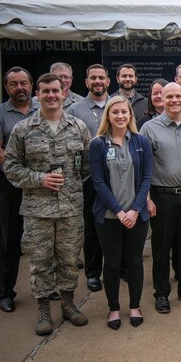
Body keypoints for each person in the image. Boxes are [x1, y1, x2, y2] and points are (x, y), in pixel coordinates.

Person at [4, 73, 91, 335]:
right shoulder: (24, 129)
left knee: (69, 258)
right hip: (37, 210)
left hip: (70, 208)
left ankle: (67, 303)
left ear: (64, 93)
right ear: (37, 95)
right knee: (40, 260)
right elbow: (10, 166)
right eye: (46, 92)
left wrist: (71, 186)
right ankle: (43, 309)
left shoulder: (78, 127)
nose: (51, 95)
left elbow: (87, 165)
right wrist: (39, 179)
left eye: (56, 90)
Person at [140, 82, 181, 313]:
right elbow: (143, 166)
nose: (175, 100)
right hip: (161, 196)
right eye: (169, 96)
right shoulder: (149, 128)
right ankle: (161, 293)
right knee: (161, 247)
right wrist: (147, 198)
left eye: (178, 96)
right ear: (162, 98)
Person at [89, 96, 153, 329]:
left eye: (124, 112)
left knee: (135, 261)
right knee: (113, 263)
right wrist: (119, 211)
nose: (120, 116)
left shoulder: (140, 142)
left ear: (130, 115)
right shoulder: (98, 144)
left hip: (137, 216)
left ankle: (134, 305)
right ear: (108, 115)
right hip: (108, 217)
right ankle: (114, 308)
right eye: (115, 112)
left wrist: (135, 210)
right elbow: (98, 182)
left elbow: (147, 178)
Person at [0, 66, 40, 312]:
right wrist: (23, 173)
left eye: (24, 83)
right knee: (9, 239)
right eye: (14, 84)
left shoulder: (45, 108)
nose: (20, 88)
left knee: (46, 238)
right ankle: (6, 292)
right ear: (7, 87)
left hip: (43, 184)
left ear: (31, 86)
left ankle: (49, 287)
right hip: (13, 184)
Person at [66, 64, 110, 293]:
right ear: (86, 82)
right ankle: (93, 273)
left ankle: (119, 268)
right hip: (89, 179)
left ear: (108, 81)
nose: (97, 81)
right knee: (92, 227)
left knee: (119, 224)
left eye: (101, 77)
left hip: (117, 177)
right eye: (93, 77)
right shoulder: (75, 109)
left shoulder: (118, 104)